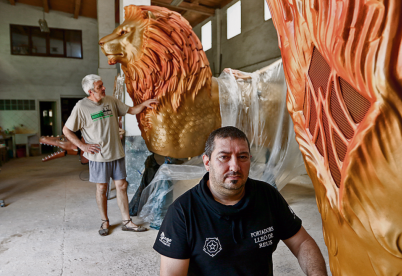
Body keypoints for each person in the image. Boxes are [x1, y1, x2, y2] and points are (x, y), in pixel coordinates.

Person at [153, 126, 328, 275]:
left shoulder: (267, 196)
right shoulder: (182, 212)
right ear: (207, 162)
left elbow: (302, 243)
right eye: (224, 157)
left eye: (242, 156)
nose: (235, 166)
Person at [63, 74, 158, 236]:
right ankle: (104, 221)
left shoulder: (111, 101)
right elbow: (67, 130)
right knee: (102, 188)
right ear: (90, 91)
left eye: (102, 85)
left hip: (116, 153)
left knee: (122, 186)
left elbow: (131, 110)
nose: (104, 88)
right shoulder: (81, 107)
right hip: (99, 157)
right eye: (100, 87)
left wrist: (144, 104)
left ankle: (127, 221)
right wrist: (82, 146)